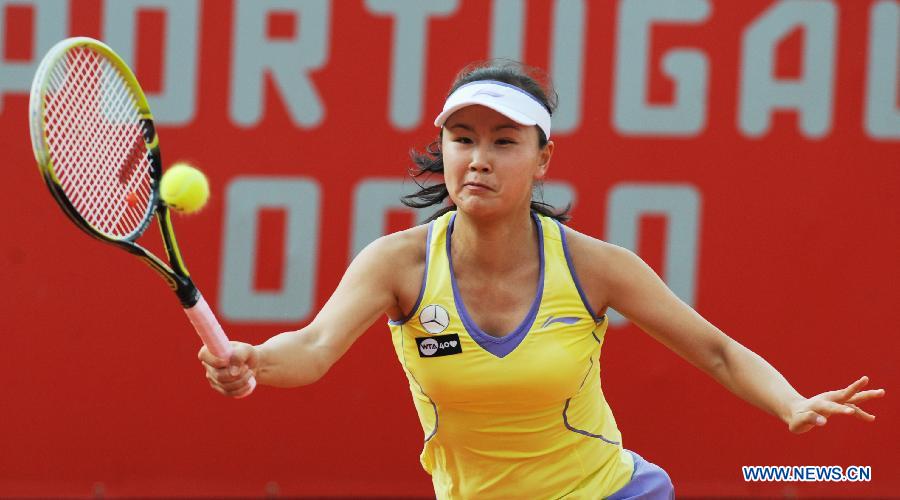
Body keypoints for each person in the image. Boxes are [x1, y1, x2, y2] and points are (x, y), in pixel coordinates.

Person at [198, 61, 885, 499]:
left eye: (505, 141)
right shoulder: (399, 264)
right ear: (443, 148)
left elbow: (717, 351)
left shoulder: (594, 267)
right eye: (463, 138)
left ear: (543, 158)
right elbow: (314, 348)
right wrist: (254, 361)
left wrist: (788, 402)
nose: (479, 158)